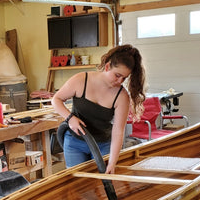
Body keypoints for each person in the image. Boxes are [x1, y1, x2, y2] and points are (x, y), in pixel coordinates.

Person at [51, 44, 146, 173]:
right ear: (107, 67)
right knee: (78, 187)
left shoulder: (122, 96)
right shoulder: (80, 80)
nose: (120, 81)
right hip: (74, 143)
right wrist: (70, 118)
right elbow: (56, 99)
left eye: (124, 78)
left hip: (103, 145)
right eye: (117, 75)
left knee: (101, 186)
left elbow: (118, 131)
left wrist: (112, 163)